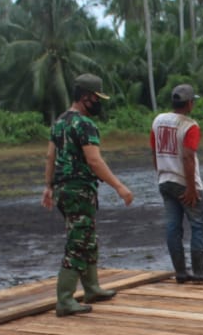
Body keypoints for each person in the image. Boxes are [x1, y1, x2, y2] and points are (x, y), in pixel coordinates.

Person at [42, 73, 134, 316]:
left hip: (63, 189)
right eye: (96, 98)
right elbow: (94, 160)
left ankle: (92, 287)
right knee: (78, 242)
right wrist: (119, 186)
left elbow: (51, 157)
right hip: (78, 189)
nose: (98, 103)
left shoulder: (59, 122)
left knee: (87, 238)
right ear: (85, 97)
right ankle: (64, 299)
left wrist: (48, 186)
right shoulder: (85, 124)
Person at [151, 83, 203, 284]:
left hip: (165, 180)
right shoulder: (190, 126)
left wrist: (161, 175)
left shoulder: (158, 121)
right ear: (189, 103)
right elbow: (188, 158)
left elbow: (154, 152)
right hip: (184, 182)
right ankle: (200, 273)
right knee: (199, 226)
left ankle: (181, 272)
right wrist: (191, 188)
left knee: (173, 227)